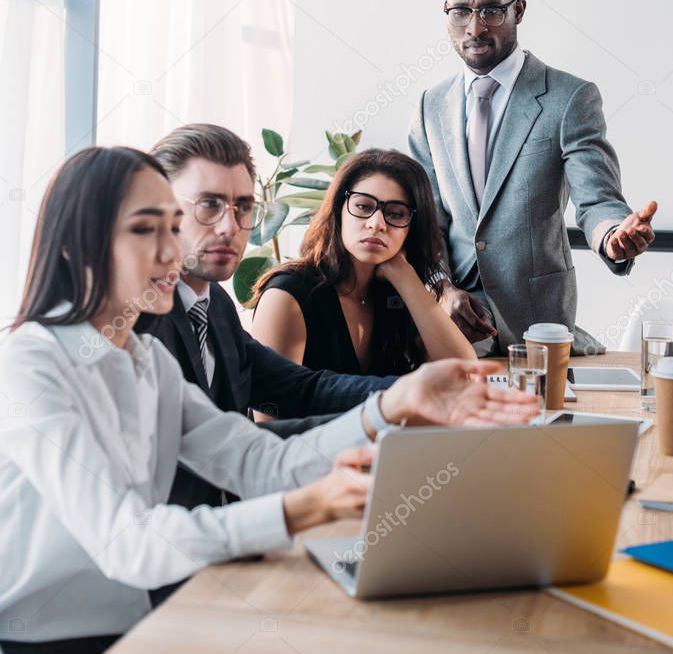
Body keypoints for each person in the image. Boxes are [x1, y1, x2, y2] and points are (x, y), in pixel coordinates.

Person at [0, 146, 537, 653]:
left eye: (171, 227)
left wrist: (393, 403)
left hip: (141, 620)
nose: (170, 251)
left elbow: (257, 460)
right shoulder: (31, 364)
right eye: (145, 230)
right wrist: (307, 505)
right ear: (74, 245)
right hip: (46, 639)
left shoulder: (147, 363)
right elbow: (126, 543)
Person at [135, 125, 402, 517]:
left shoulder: (216, 307)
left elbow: (300, 389)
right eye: (208, 205)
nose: (230, 227)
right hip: (167, 555)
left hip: (231, 537)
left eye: (243, 207)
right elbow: (220, 451)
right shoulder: (134, 323)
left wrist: (410, 394)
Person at [409, 0, 657, 356]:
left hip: (538, 331)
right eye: (460, 11)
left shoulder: (569, 98)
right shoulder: (429, 107)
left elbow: (597, 200)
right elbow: (427, 223)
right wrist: (442, 289)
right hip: (454, 330)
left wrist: (613, 235)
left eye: (491, 10)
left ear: (518, 10)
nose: (474, 27)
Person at [251, 149, 476, 375]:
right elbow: (272, 409)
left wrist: (404, 276)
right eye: (363, 207)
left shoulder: (395, 296)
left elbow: (464, 373)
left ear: (412, 229)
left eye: (396, 214)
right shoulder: (287, 296)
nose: (376, 223)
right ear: (338, 210)